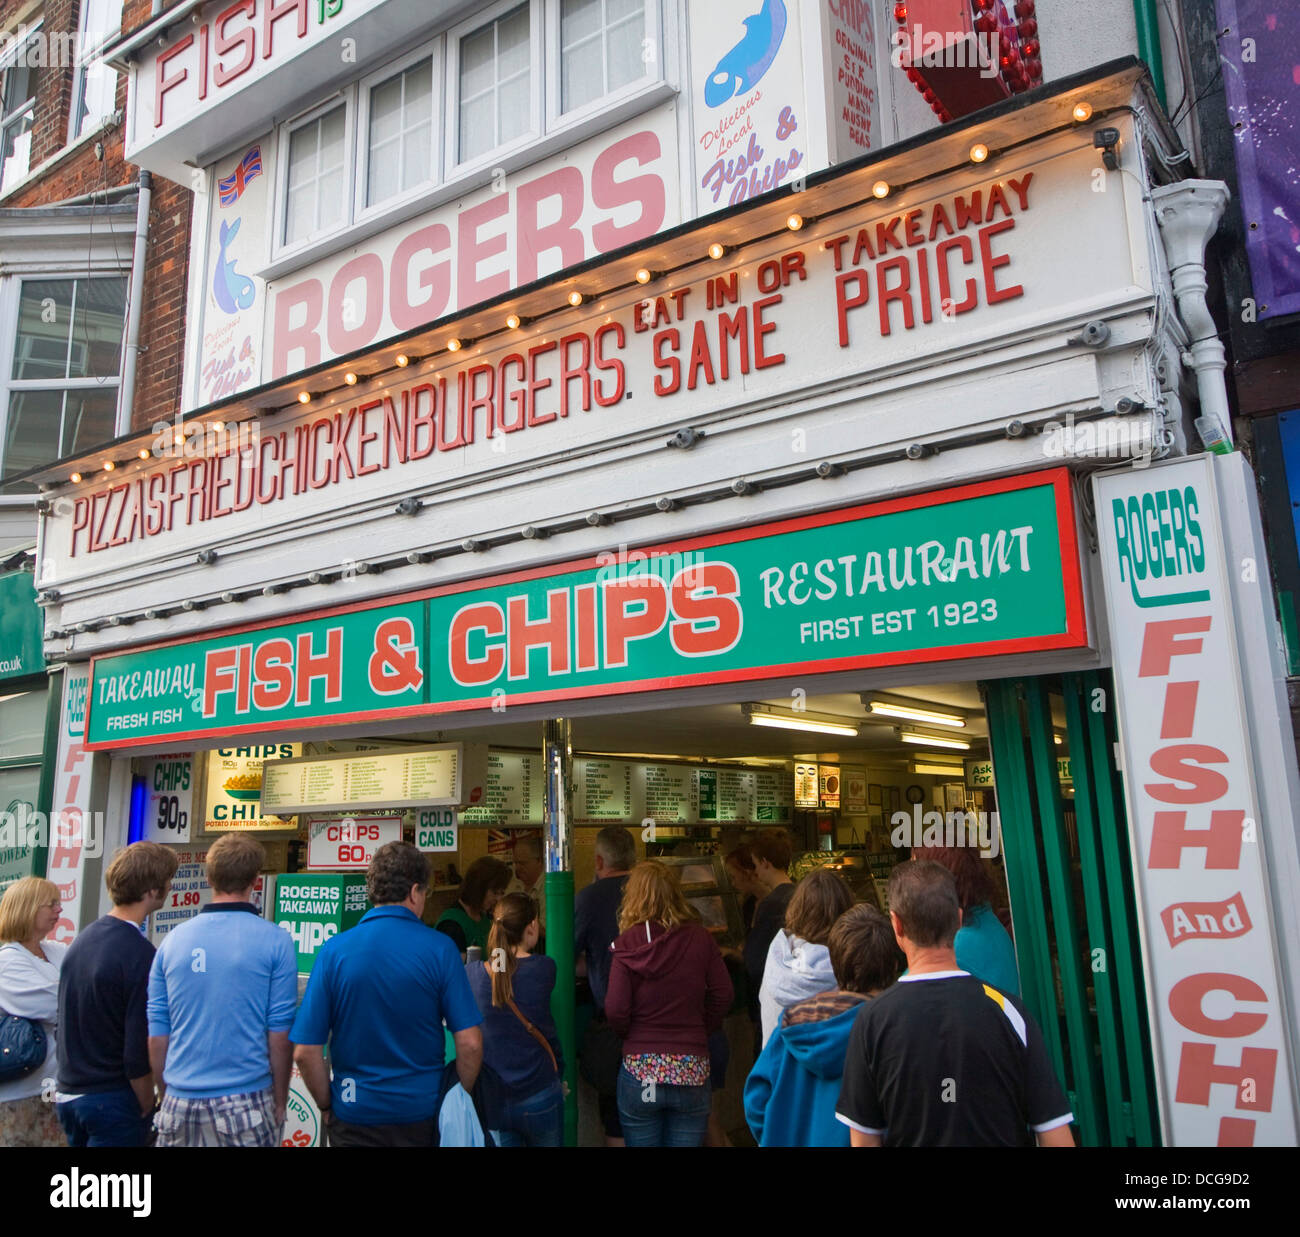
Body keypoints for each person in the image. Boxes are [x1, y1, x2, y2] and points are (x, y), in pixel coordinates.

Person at [836, 861, 1075, 1147]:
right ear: (958, 920)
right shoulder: (1010, 1012)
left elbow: (864, 1141)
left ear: (896, 924)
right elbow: (1056, 1137)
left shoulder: (871, 1022)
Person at [292, 842, 483, 1147]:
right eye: (425, 893)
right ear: (414, 892)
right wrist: (457, 1097)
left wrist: (327, 1106)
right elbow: (470, 1043)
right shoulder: (440, 949)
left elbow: (305, 1052)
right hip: (422, 1115)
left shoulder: (334, 951)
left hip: (353, 1114)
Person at [147, 835, 296, 1148]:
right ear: (255, 880)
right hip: (246, 1099)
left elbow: (158, 1036)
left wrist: (167, 1092)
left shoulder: (172, 942)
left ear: (209, 878)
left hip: (179, 1100)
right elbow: (280, 1035)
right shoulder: (276, 940)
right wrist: (280, 1099)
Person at [745, 904, 900, 1146]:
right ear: (894, 966)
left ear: (834, 964)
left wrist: (779, 1135)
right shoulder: (893, 1032)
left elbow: (755, 1100)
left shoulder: (792, 1023)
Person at [56, 842, 178, 1147]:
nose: (171, 886)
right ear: (152, 890)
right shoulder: (139, 954)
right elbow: (138, 1047)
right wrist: (147, 1102)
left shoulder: (82, 941)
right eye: (168, 880)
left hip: (70, 1093)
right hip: (112, 1098)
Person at [605, 861, 733, 1148]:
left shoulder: (627, 944)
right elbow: (723, 993)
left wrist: (633, 1036)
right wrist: (701, 1029)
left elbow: (615, 1009)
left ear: (633, 897)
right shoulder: (701, 939)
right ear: (676, 893)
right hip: (691, 1069)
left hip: (642, 1072)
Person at [466, 892, 563, 1147]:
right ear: (532, 926)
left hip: (495, 1100)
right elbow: (507, 969)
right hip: (539, 1092)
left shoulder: (473, 975)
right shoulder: (544, 968)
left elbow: (500, 966)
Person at [574, 825, 635, 1146]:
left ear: (599, 861)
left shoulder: (589, 898)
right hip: (661, 1025)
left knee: (616, 1118)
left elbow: (563, 956)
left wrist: (595, 963)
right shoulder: (652, 893)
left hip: (613, 1027)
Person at [0, 877, 68, 1146]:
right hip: (20, 1095)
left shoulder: (56, 951)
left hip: (56, 1088)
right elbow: (54, 1005)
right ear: (27, 909)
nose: (59, 910)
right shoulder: (7, 961)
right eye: (51, 904)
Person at [758, 866, 854, 1047]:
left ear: (796, 909)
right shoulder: (848, 967)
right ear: (846, 913)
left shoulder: (777, 957)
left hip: (778, 1063)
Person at [912, 843, 1020, 995]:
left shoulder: (956, 946)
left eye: (915, 878)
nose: (909, 888)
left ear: (938, 882)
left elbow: (908, 996)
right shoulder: (984, 919)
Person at [742, 830, 796, 1038]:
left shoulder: (771, 904)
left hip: (775, 1001)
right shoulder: (801, 894)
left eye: (756, 865)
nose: (756, 872)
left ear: (765, 863)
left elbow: (755, 962)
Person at [436, 855, 510, 957]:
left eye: (501, 893)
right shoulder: (451, 925)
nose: (498, 899)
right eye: (495, 893)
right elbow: (455, 966)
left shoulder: (485, 919)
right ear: (478, 888)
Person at [506, 835, 546, 933]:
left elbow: (549, 930)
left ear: (539, 861)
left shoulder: (550, 888)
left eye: (522, 863)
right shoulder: (512, 884)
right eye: (516, 863)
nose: (517, 868)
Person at [723, 843, 760, 935]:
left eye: (733, 877)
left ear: (747, 873)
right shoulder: (750, 902)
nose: (733, 883)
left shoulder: (771, 902)